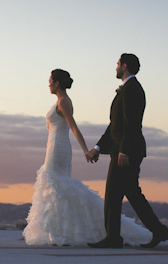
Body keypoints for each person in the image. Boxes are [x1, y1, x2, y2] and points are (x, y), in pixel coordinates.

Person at [23, 69, 151, 246]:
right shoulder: (59, 102)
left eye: (50, 80)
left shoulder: (63, 102)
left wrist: (86, 150)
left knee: (56, 186)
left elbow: (74, 128)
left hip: (58, 149)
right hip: (52, 145)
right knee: (56, 188)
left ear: (57, 83)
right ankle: (57, 231)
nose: (49, 84)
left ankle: (67, 231)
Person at [86, 54, 168, 248]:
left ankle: (114, 238)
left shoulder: (133, 89)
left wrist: (124, 150)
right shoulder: (127, 89)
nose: (115, 67)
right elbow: (114, 124)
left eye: (117, 64)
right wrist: (98, 147)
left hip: (126, 151)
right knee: (130, 193)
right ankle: (157, 232)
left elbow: (131, 122)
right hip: (122, 149)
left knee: (114, 194)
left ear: (124, 66)